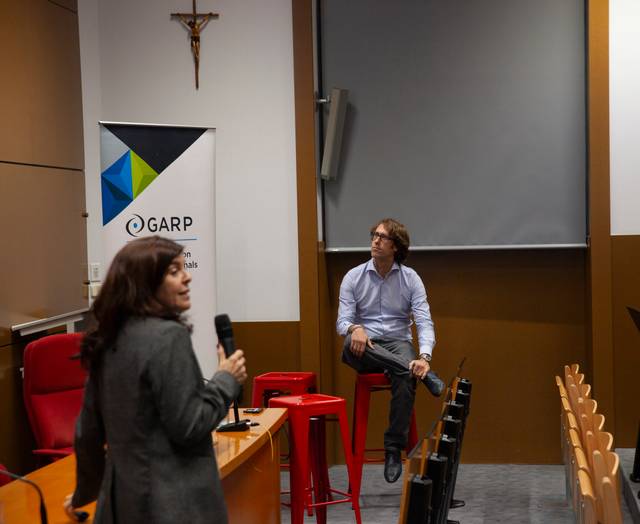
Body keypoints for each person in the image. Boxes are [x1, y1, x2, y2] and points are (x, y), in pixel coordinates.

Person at [63, 236, 247, 523]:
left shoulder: (106, 339)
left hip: (121, 504)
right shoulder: (168, 337)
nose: (187, 278)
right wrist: (226, 379)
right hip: (174, 506)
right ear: (144, 283)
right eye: (174, 271)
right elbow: (190, 425)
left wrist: (83, 493)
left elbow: (87, 433)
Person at [336, 218, 444, 483]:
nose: (375, 240)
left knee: (405, 373)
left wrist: (425, 356)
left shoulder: (410, 279)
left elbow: (424, 321)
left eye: (382, 237)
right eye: (374, 235)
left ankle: (393, 448)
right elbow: (342, 321)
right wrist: (354, 328)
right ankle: (413, 370)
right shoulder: (354, 276)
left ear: (395, 246)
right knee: (351, 344)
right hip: (365, 346)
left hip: (398, 342)